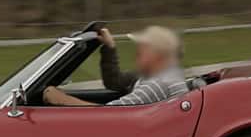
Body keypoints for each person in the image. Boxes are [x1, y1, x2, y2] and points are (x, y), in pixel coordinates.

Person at [44, 24, 188, 107]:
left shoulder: (159, 83)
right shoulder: (155, 74)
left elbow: (110, 114)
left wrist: (62, 100)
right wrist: (109, 47)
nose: (137, 53)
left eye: (143, 49)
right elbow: (115, 81)